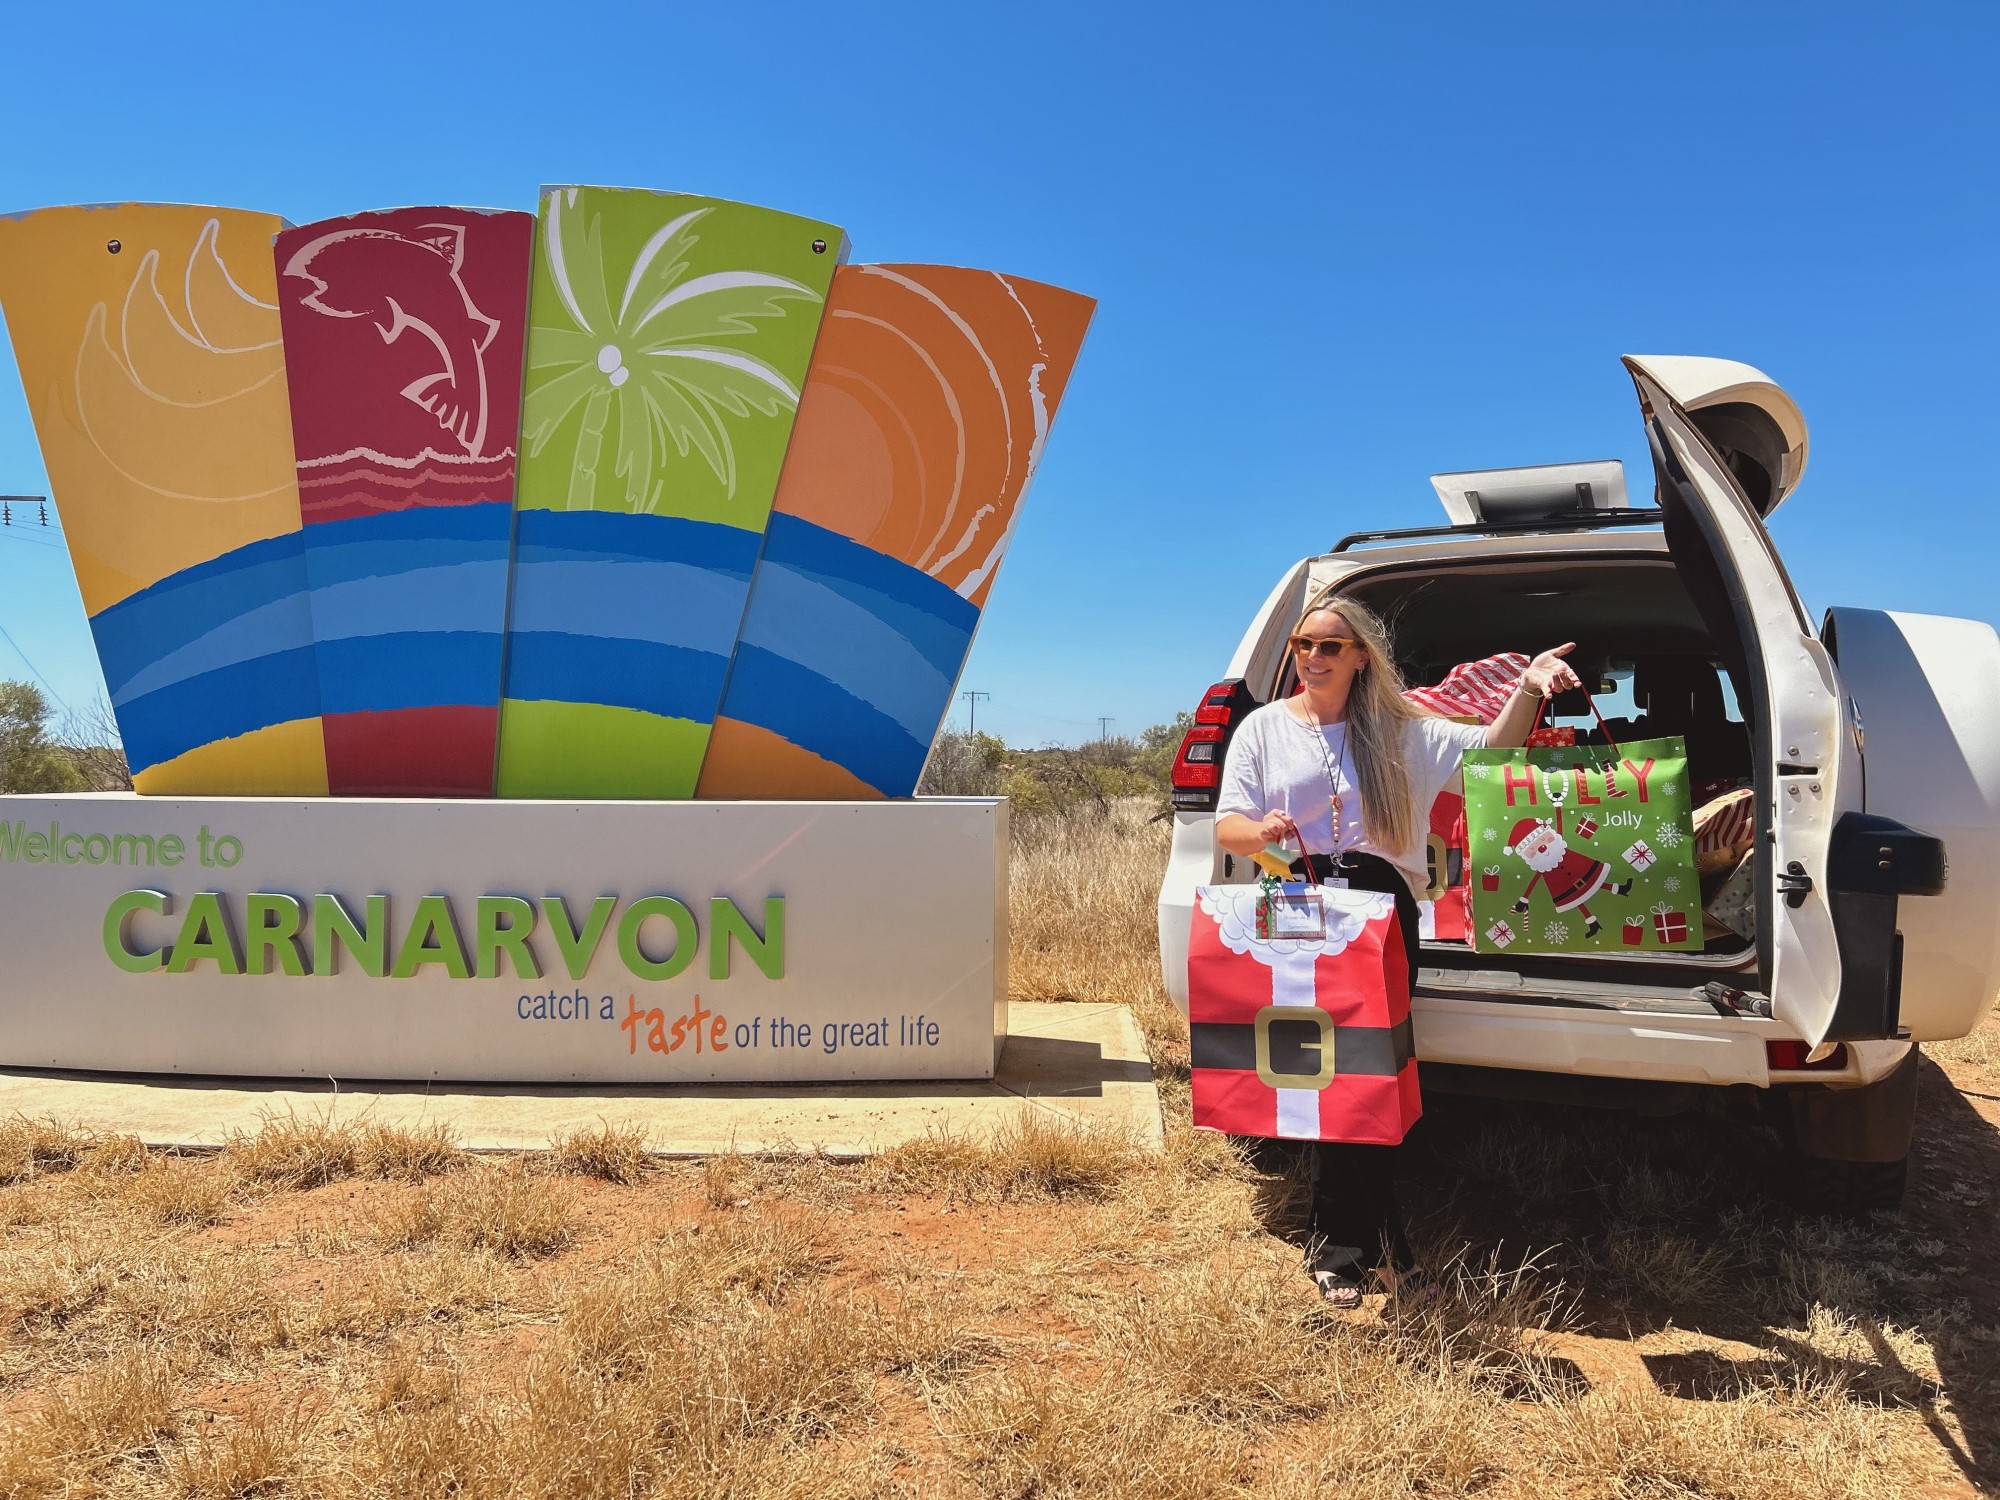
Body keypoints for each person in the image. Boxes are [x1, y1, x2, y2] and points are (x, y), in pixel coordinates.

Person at [1212, 592, 1579, 1306]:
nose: (1312, 658)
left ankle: (1348, 1250)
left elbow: (1491, 750)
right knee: (1320, 1077)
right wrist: (1262, 834)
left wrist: (1530, 689)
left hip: (1377, 915)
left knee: (1369, 1076)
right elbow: (1228, 824)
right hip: (1296, 906)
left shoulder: (1402, 732)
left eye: (1329, 646)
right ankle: (1372, 1255)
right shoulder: (1263, 728)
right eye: (1302, 645)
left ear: (1360, 657)